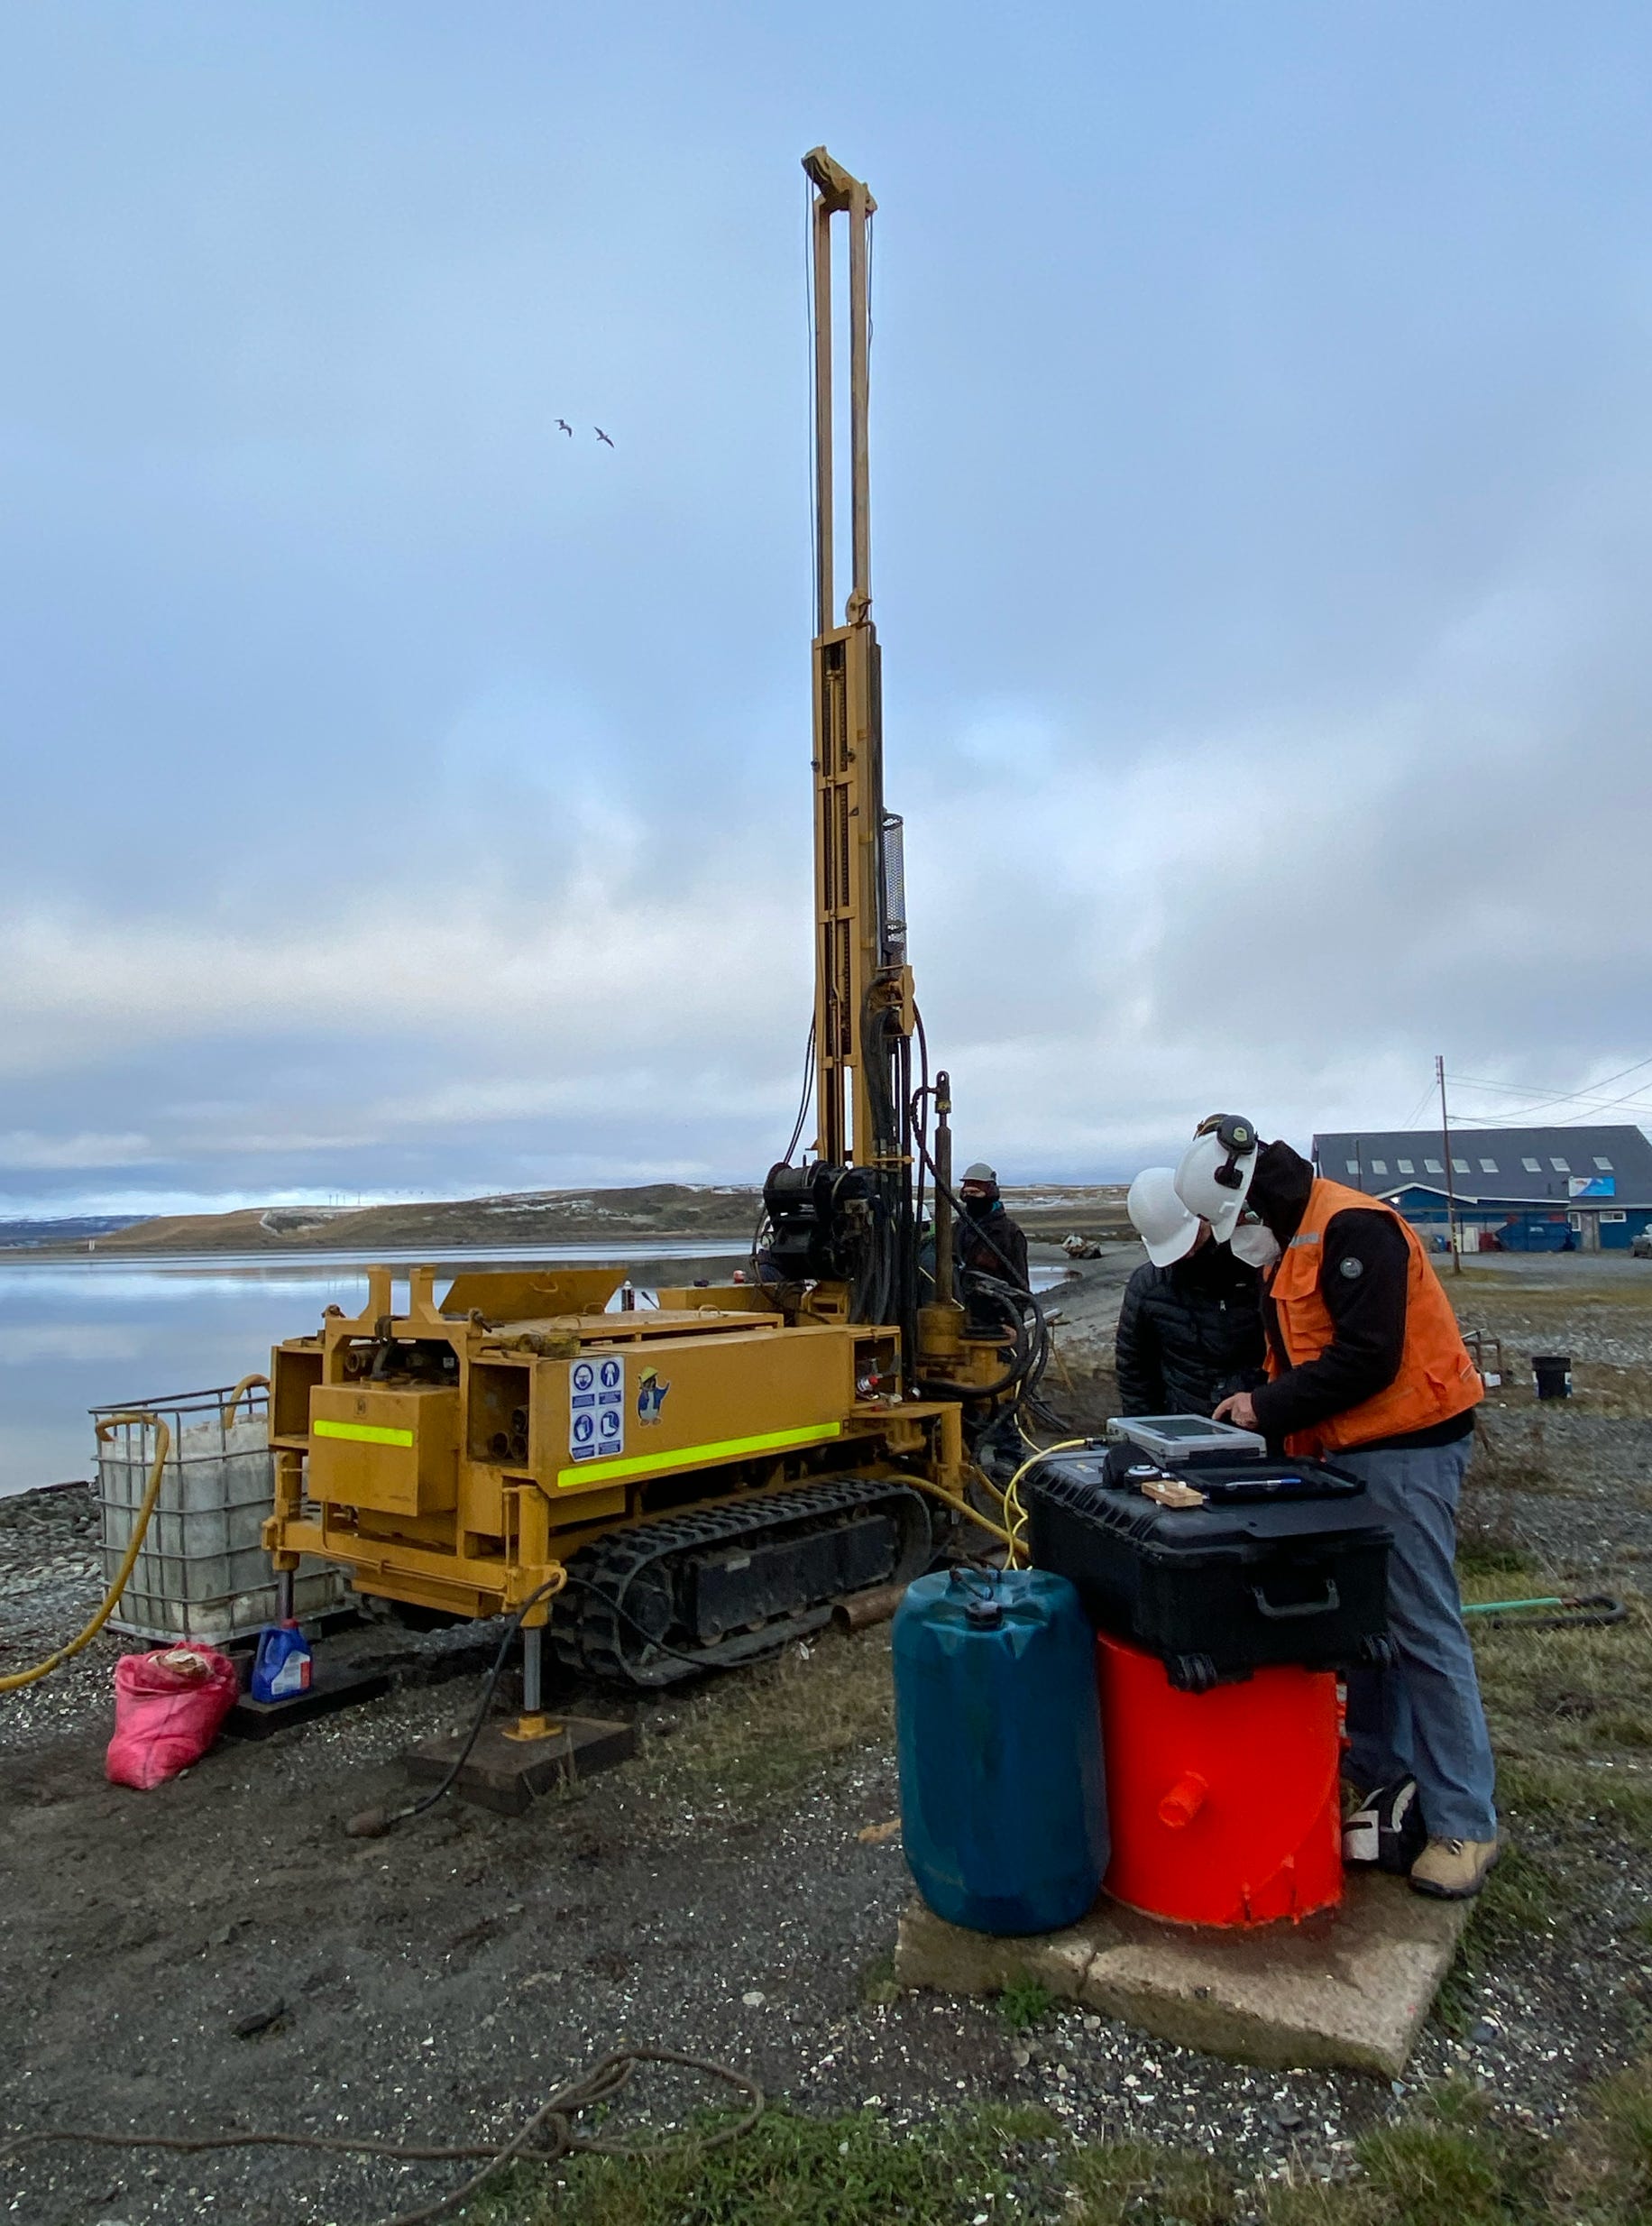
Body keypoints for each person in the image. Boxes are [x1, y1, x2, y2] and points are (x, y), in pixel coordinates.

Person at [1175, 1114, 1496, 1900]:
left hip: (1409, 1445)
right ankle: (1380, 1775)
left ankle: (1465, 1822)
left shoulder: (1356, 1229)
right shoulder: (1294, 1245)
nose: (1232, 1240)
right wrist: (1257, 1404)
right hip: (1350, 1448)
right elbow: (1295, 1353)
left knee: (1421, 1624)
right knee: (1365, 1622)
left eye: (1231, 1225)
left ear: (1252, 1202)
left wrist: (1266, 1409)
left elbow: (1368, 1360)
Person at [1115, 1167, 1266, 1417]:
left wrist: (1265, 1402)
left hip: (1264, 1424)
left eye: (1194, 1239)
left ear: (1205, 1214)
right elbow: (1135, 1374)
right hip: (1185, 1429)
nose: (1188, 1253)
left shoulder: (1260, 1266)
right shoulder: (1147, 1288)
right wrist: (1148, 1436)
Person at [955, 1163, 1029, 1290]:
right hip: (959, 1305)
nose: (969, 1197)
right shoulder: (958, 1228)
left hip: (995, 1305)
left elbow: (1020, 1285)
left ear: (990, 1193)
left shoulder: (1009, 1233)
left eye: (975, 1192)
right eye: (966, 1193)